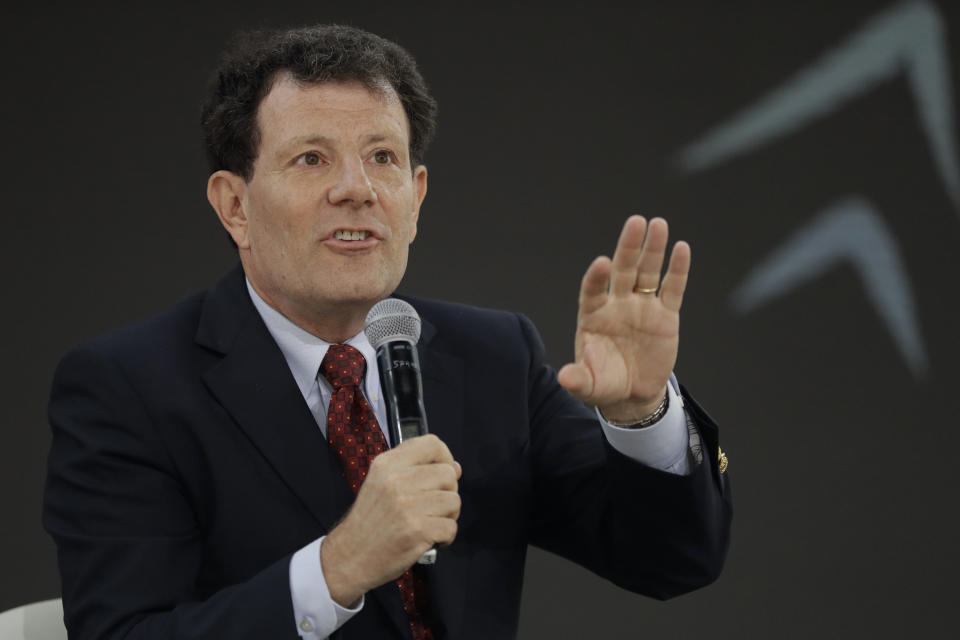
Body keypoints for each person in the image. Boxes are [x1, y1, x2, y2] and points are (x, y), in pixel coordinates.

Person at [43, 24, 732, 640]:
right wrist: (335, 570)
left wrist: (642, 416)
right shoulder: (128, 388)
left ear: (416, 197)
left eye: (382, 157)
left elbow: (671, 562)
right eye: (311, 159)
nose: (357, 188)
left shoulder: (492, 356)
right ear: (234, 206)